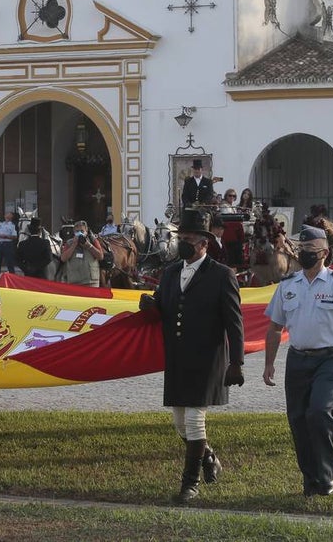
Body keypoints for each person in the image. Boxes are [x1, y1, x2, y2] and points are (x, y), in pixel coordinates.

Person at [138, 209, 244, 503]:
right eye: (180, 237)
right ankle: (208, 457)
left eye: (189, 238)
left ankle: (190, 484)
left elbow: (235, 323)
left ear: (204, 243)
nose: (182, 242)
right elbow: (165, 307)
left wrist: (236, 363)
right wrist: (151, 305)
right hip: (178, 357)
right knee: (180, 423)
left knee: (195, 421)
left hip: (208, 358)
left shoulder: (222, 275)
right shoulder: (171, 272)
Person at [263, 225, 333, 498]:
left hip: (331, 358)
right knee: (298, 419)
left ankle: (325, 476)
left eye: (310, 251)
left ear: (324, 252)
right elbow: (275, 327)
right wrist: (269, 363)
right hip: (298, 359)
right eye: (301, 250)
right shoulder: (288, 285)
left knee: (319, 412)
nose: (304, 254)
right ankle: (310, 478)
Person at [57, 220, 104, 286]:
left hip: (91, 282)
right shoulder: (69, 243)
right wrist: (74, 245)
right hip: (74, 281)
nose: (79, 233)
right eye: (77, 231)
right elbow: (63, 258)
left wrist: (89, 246)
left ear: (86, 232)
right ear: (74, 232)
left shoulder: (93, 241)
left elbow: (100, 257)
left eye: (82, 231)